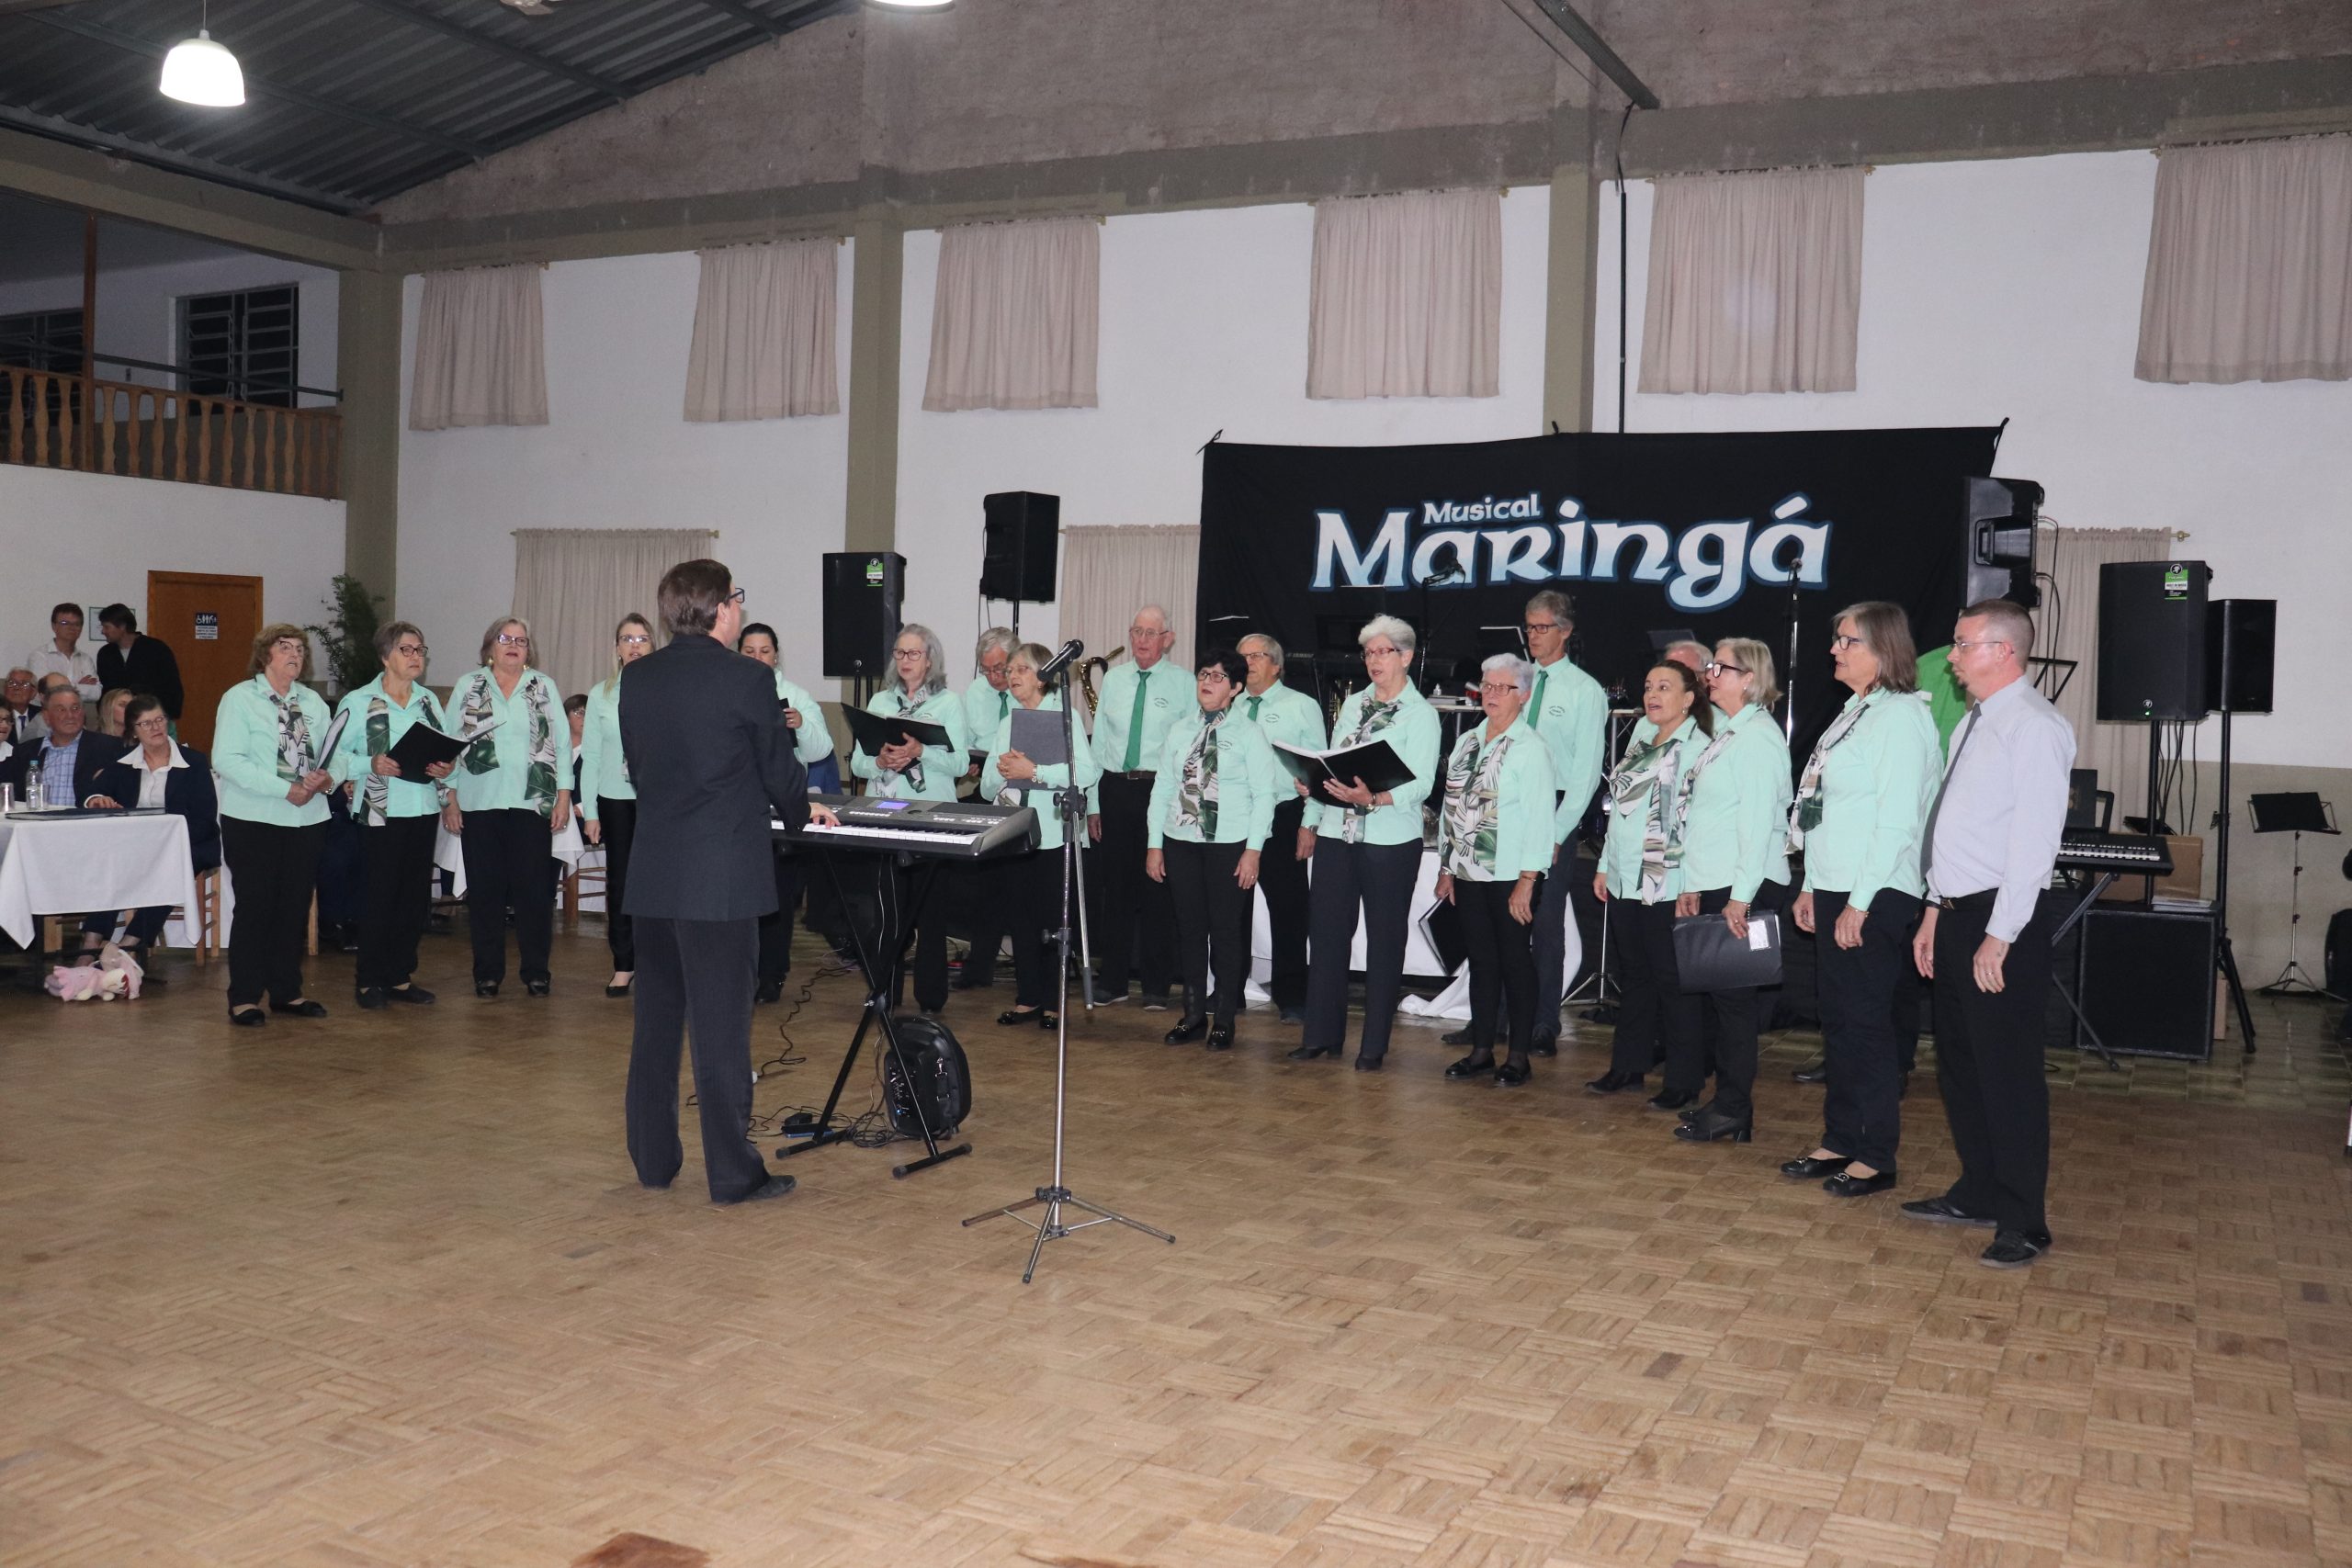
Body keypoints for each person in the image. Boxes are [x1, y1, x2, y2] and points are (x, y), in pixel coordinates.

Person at [621, 559, 833, 1205]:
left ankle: (653, 1161)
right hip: (719, 880)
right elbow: (779, 769)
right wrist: (803, 811)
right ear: (720, 608)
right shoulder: (748, 678)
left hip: (654, 875)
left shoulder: (638, 677)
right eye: (736, 597)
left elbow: (641, 767)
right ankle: (734, 1175)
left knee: (656, 1027)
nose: (740, 606)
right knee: (720, 1033)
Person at [1909, 600, 2075, 1269]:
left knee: (2007, 1074)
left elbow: (2034, 841)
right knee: (1961, 1064)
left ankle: (2024, 1220)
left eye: (1962, 644)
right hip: (1955, 914)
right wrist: (1932, 910)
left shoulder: (2035, 725)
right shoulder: (1975, 722)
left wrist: (2000, 934)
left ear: (2003, 651)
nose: (1951, 656)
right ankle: (1978, 1189)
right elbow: (1954, 829)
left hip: (2001, 920)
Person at [1783, 602, 1940, 1199]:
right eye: (1837, 640)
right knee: (1840, 1021)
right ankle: (1840, 1137)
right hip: (1835, 885)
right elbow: (1823, 807)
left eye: (1847, 641)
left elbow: (1898, 821)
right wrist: (1809, 883)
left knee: (1867, 1023)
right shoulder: (1854, 713)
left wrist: (1860, 901)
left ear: (1882, 649)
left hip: (1875, 890)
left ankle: (1877, 1154)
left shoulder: (1900, 718)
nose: (1834, 649)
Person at [1293, 615, 1441, 1071]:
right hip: (1337, 834)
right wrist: (1314, 791)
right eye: (1368, 653)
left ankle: (1373, 1044)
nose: (1374, 661)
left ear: (1406, 657)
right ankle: (1321, 1036)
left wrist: (1374, 798)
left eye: (1383, 652)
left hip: (1389, 841)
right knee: (1327, 936)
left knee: (1384, 941)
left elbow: (1422, 783)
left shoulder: (1421, 714)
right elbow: (1333, 761)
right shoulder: (1354, 704)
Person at [1669, 638, 1794, 1145]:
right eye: (1711, 666)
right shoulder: (1728, 732)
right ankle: (1726, 1103)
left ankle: (1734, 1109)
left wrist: (1740, 897)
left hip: (1746, 883)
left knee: (1735, 1007)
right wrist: (1692, 884)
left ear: (1750, 678)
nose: (1710, 674)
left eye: (1721, 667)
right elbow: (1707, 817)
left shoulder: (1758, 738)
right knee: (1723, 1005)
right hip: (1719, 879)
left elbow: (1757, 825)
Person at [1588, 662, 1714, 1103]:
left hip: (1669, 881)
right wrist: (1605, 863)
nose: (1652, 695)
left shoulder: (1699, 747)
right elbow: (1620, 809)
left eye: (1664, 687)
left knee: (1673, 982)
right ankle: (1629, 1065)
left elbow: (1699, 824)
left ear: (1689, 698)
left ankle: (1684, 1080)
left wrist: (1692, 884)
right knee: (1635, 975)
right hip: (1626, 877)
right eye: (1647, 687)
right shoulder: (1642, 737)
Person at [1146, 649, 1283, 1051]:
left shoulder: (1250, 734)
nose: (1206, 682)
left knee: (1225, 933)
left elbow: (1265, 795)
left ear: (1236, 687)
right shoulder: (1180, 729)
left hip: (1229, 845)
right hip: (1181, 841)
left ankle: (1223, 1019)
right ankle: (1191, 1015)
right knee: (1189, 931)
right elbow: (1162, 789)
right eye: (1203, 674)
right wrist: (1155, 844)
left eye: (1217, 677)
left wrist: (1253, 851)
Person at [1434, 654, 1556, 1086]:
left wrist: (1528, 881)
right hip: (1468, 870)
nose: (1492, 694)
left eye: (1503, 688)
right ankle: (1482, 1050)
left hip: (1511, 874)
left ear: (1523, 696)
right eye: (1486, 686)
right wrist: (1447, 866)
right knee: (1482, 962)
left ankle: (1519, 1055)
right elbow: (1451, 808)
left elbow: (1542, 820)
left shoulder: (1531, 748)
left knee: (1515, 963)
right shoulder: (1468, 740)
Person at [329, 620, 457, 1010]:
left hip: (421, 807)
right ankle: (369, 979)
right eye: (406, 649)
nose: (416, 656)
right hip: (379, 811)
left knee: (413, 898)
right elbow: (334, 756)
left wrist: (446, 768)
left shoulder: (428, 701)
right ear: (386, 656)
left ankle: (400, 976)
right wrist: (369, 763)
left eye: (420, 650)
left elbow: (445, 749)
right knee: (379, 896)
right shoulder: (358, 701)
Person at [212, 625, 335, 1027]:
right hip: (254, 819)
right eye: (285, 647)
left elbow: (333, 753)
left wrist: (326, 777)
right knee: (255, 906)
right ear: (265, 654)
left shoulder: (312, 701)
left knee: (294, 906)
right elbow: (227, 760)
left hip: (307, 818)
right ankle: (244, 996)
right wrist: (285, 789)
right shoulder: (240, 698)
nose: (295, 654)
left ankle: (287, 991)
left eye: (300, 649)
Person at [444, 616, 572, 998]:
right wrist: (449, 798)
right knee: (486, 893)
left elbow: (562, 745)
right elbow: (448, 745)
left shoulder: (543, 686)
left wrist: (563, 796)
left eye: (521, 640)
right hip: (479, 802)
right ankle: (487, 973)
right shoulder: (469, 686)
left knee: (534, 893)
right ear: (490, 647)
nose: (514, 645)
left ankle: (536, 971)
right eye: (505, 638)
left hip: (532, 802)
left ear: (529, 649)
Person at [980, 641, 1100, 1029]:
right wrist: (1002, 772)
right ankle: (1028, 998)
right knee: (1021, 919)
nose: (1012, 676)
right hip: (1016, 834)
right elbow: (985, 786)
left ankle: (1053, 1002)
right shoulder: (1007, 722)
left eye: (1022, 670)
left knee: (1053, 922)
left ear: (1043, 678)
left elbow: (1086, 773)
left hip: (1054, 834)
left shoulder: (1064, 716)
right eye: (1010, 670)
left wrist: (1034, 772)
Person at [850, 623, 967, 1017]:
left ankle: (931, 998)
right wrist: (880, 761)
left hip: (931, 816)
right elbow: (858, 762)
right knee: (888, 912)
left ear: (930, 659)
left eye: (913, 653)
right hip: (886, 813)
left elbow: (960, 764)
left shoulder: (949, 703)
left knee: (930, 912)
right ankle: (885, 992)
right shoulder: (880, 701)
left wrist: (921, 752)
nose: (905, 660)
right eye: (899, 653)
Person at [1520, 592, 1609, 1057]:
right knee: (1500, 914)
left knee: (1545, 920)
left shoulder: (1583, 690)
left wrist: (1557, 831)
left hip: (1554, 807)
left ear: (1566, 631)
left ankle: (1543, 1021)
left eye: (1542, 628)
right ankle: (1497, 1015)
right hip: (1510, 804)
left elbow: (1586, 773)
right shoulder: (1516, 680)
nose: (1533, 636)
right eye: (1529, 627)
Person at [76, 694, 220, 967]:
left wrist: (166, 844)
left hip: (188, 845)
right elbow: (89, 793)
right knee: (110, 864)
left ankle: (130, 943)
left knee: (171, 868)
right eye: (146, 723)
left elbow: (204, 819)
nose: (155, 728)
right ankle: (91, 942)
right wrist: (96, 799)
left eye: (159, 720)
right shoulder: (124, 764)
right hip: (136, 847)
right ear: (133, 731)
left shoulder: (193, 762)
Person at [1085, 604, 1182, 1009]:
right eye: (1136, 631)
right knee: (1116, 889)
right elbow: (1099, 744)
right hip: (1115, 789)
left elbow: (1188, 748)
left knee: (1158, 887)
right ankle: (1113, 980)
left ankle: (1157, 985)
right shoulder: (1115, 679)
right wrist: (1093, 803)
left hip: (1160, 791)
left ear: (1167, 640)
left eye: (1150, 633)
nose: (1141, 640)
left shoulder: (1184, 683)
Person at [737, 621, 835, 1004]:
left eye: (764, 651)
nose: (758, 658)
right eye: (749, 652)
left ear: (776, 656)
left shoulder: (795, 695)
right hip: (741, 806)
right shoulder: (730, 690)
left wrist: (801, 724)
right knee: (743, 894)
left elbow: (821, 750)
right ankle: (743, 971)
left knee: (778, 894)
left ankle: (772, 974)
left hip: (783, 806)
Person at [1235, 633, 1326, 1023]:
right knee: (1231, 910)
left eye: (1256, 656)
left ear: (1276, 665)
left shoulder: (1301, 706)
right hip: (1236, 817)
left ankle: (1292, 995)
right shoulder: (1230, 704)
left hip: (1283, 813)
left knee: (1289, 909)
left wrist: (1310, 821)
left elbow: (1317, 770)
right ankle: (1229, 990)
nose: (1248, 663)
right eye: (1243, 656)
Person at [580, 615, 655, 998]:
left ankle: (657, 962)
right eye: (627, 639)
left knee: (661, 881)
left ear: (654, 646)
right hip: (615, 799)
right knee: (621, 882)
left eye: (642, 639)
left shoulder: (667, 689)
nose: (635, 645)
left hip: (658, 799)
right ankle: (624, 964)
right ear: (617, 648)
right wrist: (590, 811)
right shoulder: (601, 694)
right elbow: (591, 755)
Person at [956, 626, 1020, 991]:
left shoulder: (1031, 688)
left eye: (1000, 669)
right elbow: (963, 743)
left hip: (1027, 795)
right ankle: (979, 967)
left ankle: (1031, 968)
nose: (994, 677)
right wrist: (969, 763)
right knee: (988, 887)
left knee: (1023, 886)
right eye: (987, 670)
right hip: (988, 793)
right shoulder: (975, 694)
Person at [2, 685, 124, 805]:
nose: (70, 715)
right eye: (61, 710)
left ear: (83, 713)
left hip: (86, 817)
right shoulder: (24, 752)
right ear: (46, 717)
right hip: (37, 817)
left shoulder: (110, 747)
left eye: (75, 708)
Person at [94, 604, 184, 721]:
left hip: (153, 718)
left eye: (107, 627)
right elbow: (105, 691)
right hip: (116, 721)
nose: (103, 631)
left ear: (122, 626)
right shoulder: (105, 654)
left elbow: (172, 688)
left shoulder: (156, 649)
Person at [27, 603, 100, 706]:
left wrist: (59, 686)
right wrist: (78, 686)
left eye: (77, 624)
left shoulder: (85, 659)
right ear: (54, 626)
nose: (72, 628)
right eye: (65, 623)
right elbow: (43, 691)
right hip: (44, 712)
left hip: (76, 713)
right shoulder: (39, 656)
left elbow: (96, 693)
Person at [5, 667, 42, 745]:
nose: (17, 687)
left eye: (24, 684)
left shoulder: (43, 715)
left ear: (33, 692)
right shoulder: (1, 715)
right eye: (12, 683)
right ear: (5, 689)